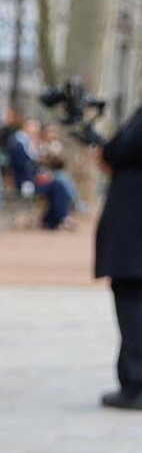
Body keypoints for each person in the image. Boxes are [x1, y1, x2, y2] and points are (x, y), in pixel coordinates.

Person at [94, 104, 142, 409]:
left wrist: (105, 150)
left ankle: (136, 384)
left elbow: (117, 151)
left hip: (134, 232)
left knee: (132, 304)